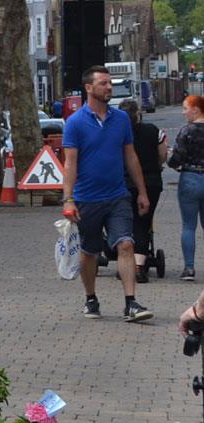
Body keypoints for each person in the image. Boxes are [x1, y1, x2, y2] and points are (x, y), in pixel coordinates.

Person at [61, 65, 153, 322]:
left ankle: (131, 303)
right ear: (89, 88)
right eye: (103, 83)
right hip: (87, 198)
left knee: (126, 244)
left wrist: (142, 192)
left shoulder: (121, 119)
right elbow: (70, 163)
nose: (109, 88)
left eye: (110, 83)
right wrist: (68, 199)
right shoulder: (75, 123)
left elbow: (130, 157)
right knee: (90, 252)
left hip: (117, 196)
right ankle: (91, 298)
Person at [120, 98, 167, 283]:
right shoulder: (153, 130)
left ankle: (129, 263)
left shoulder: (118, 133)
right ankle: (138, 264)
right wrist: (156, 165)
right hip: (151, 181)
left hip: (124, 183)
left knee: (125, 223)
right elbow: (162, 155)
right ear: (138, 113)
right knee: (143, 222)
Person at [167, 94, 204, 282]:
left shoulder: (186, 131)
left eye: (185, 108)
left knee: (189, 226)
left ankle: (189, 268)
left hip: (190, 178)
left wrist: (171, 158)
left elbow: (175, 160)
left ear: (196, 109)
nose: (183, 113)